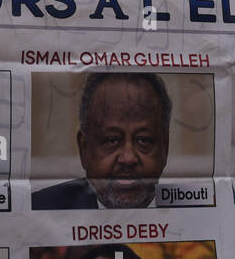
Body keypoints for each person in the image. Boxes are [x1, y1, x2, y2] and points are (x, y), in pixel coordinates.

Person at [32, 73, 171, 210]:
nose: (128, 158)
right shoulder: (40, 209)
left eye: (143, 140)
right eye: (112, 140)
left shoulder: (190, 207)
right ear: (84, 149)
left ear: (165, 147)